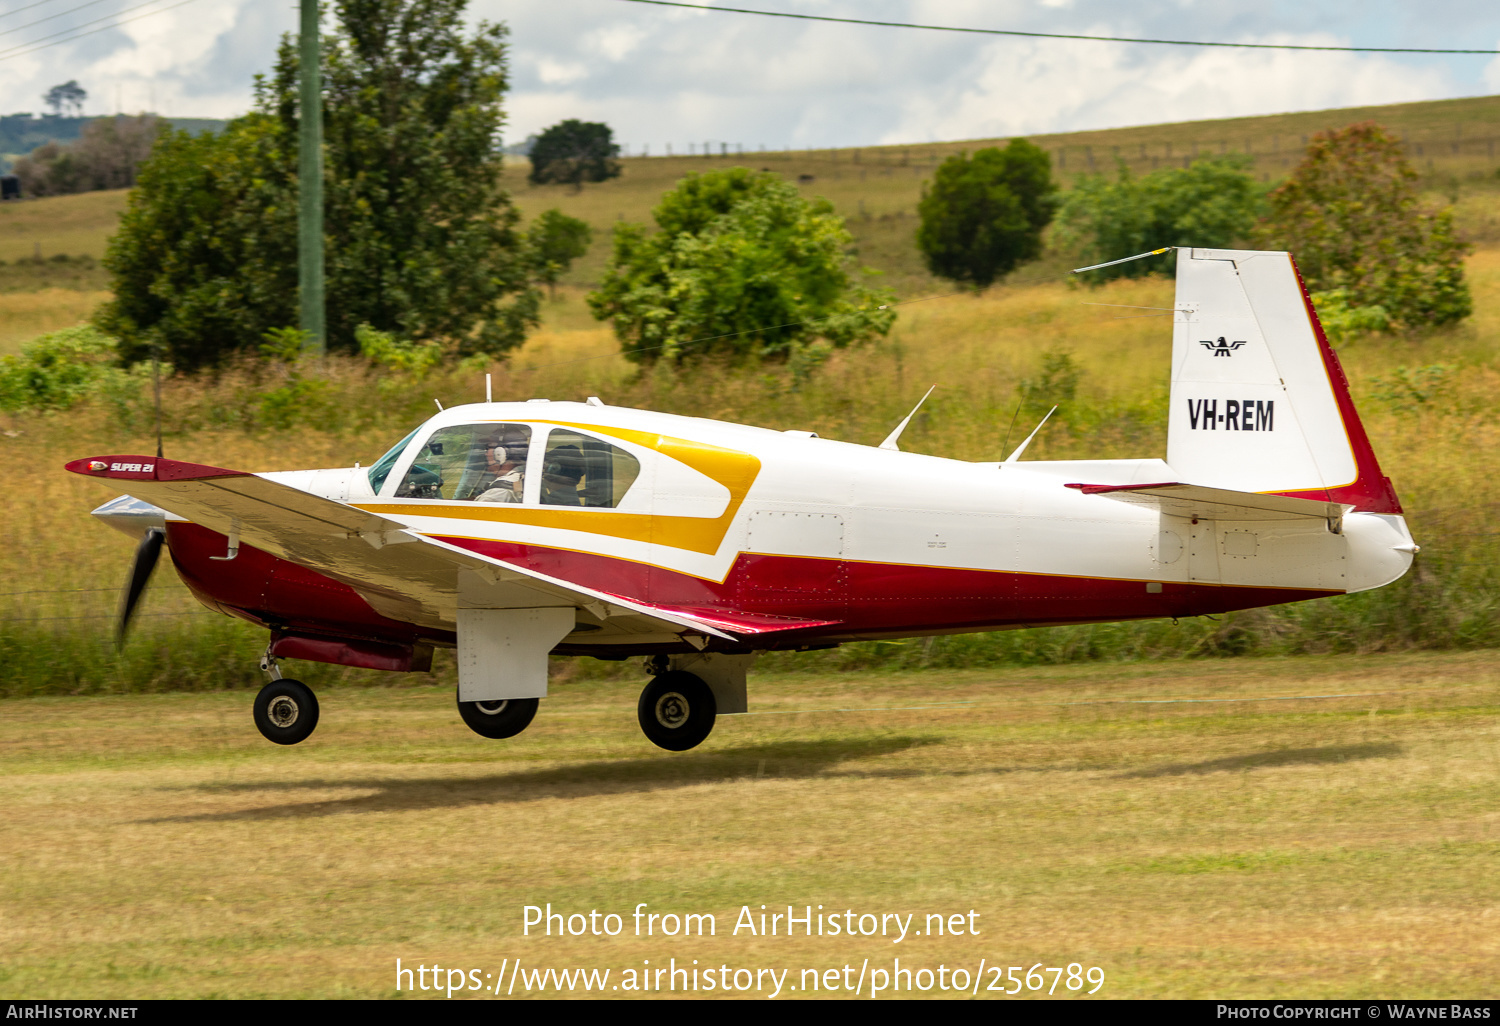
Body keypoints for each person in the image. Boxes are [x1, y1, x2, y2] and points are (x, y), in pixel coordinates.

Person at [474, 429, 528, 502]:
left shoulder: (498, 493)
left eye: (488, 447)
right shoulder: (525, 476)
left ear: (500, 453)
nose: (485, 453)